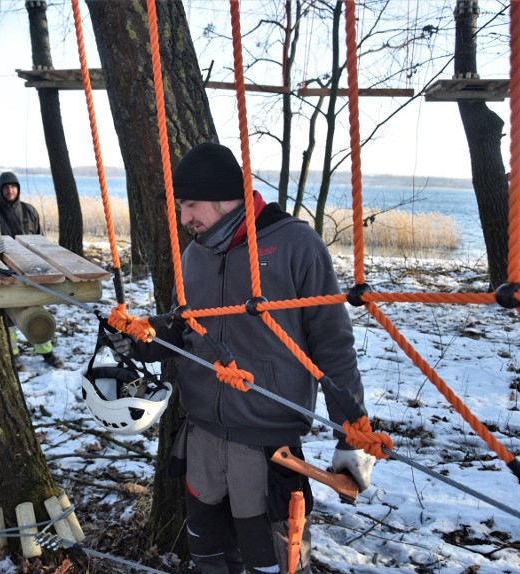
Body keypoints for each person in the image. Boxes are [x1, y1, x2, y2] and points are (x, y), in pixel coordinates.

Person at [113, 142, 375, 574]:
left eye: (191, 204)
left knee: (271, 561)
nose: (184, 218)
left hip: (268, 444)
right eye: (180, 206)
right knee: (209, 558)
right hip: (201, 436)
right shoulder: (195, 254)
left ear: (221, 196)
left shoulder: (294, 243)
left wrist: (353, 431)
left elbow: (332, 342)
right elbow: (186, 328)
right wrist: (142, 338)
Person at [0, 171, 64, 370]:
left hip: (31, 268)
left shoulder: (30, 211)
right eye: (6, 187)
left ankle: (46, 352)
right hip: (4, 270)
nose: (10, 190)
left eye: (13, 187)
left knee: (36, 311)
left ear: (18, 189)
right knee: (8, 315)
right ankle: (13, 355)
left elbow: (40, 239)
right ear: (0, 190)